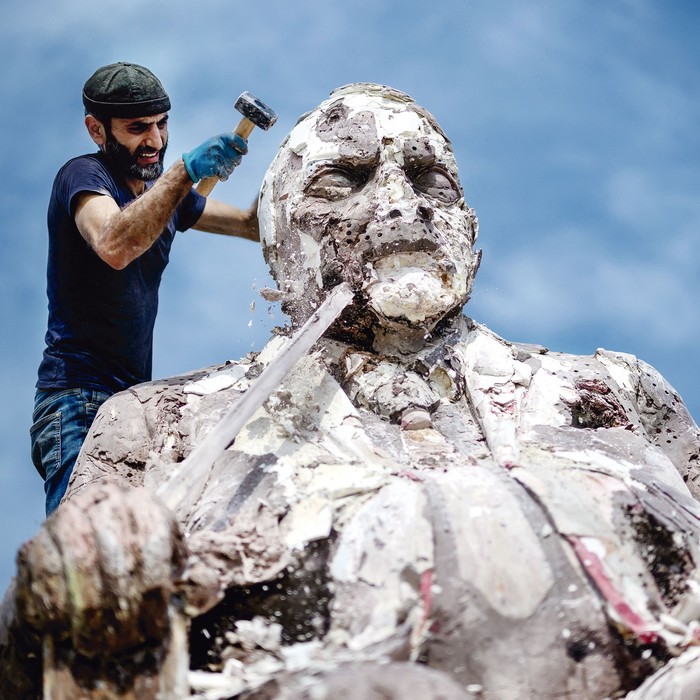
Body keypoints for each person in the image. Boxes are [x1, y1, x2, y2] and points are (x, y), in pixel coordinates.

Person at [6, 83, 700, 699]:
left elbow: (226, 221)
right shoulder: (165, 422)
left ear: (472, 228)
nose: (402, 205)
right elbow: (118, 242)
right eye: (344, 180)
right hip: (84, 386)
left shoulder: (616, 390)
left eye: (430, 179)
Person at [30, 62, 260, 515]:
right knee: (93, 542)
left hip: (134, 401)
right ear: (97, 130)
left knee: (147, 545)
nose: (154, 140)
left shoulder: (165, 198)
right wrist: (185, 171)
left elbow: (253, 227)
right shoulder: (84, 176)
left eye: (161, 124)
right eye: (137, 128)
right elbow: (115, 243)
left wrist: (290, 175)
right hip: (76, 400)